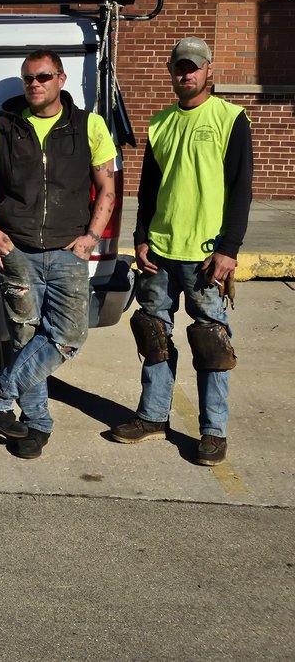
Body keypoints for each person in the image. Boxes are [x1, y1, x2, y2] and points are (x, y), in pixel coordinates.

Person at [110, 37, 252, 466]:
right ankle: (153, 417)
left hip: (206, 254)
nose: (185, 73)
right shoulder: (161, 123)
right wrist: (139, 237)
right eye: (179, 67)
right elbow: (148, 189)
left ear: (209, 70)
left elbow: (241, 188)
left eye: (193, 67)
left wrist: (229, 249)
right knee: (153, 335)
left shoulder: (230, 118)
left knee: (211, 341)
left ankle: (213, 430)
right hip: (160, 249)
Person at [0, 49, 117, 459]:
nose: (35, 84)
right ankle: (35, 425)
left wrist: (92, 236)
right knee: (24, 339)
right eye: (29, 78)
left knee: (69, 335)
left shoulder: (89, 125)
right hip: (19, 251)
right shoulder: (6, 127)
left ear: (61, 79)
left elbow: (107, 186)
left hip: (69, 251)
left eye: (43, 77)